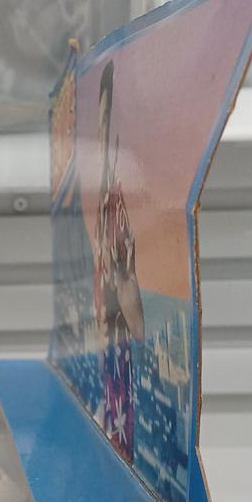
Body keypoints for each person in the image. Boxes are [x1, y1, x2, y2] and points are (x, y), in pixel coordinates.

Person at [93, 60, 145, 464]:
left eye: (106, 118)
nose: (100, 129)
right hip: (105, 355)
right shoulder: (102, 193)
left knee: (118, 455)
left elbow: (125, 281)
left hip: (116, 358)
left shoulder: (116, 199)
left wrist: (137, 339)